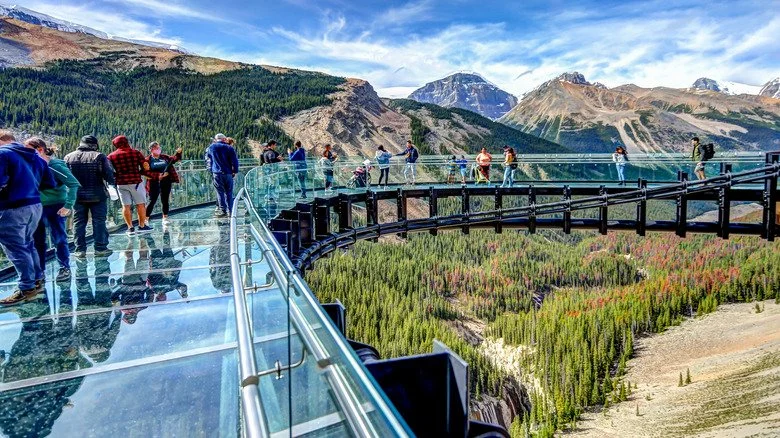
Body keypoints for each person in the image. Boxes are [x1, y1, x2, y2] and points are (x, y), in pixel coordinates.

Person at [0, 131, 58, 306]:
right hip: (35, 206)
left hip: (12, 207)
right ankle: (37, 279)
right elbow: (50, 183)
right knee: (27, 243)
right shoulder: (36, 156)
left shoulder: (3, 154)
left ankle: (27, 288)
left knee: (16, 248)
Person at [28, 138, 81, 282]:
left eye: (28, 150)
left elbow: (74, 184)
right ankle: (40, 271)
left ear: (40, 150)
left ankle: (64, 268)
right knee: (37, 240)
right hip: (37, 207)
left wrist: (68, 206)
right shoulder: (33, 165)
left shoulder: (55, 165)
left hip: (56, 206)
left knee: (59, 239)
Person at [64, 135, 115, 258]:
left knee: (79, 222)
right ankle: (100, 248)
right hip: (97, 195)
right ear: (94, 144)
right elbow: (109, 175)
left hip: (77, 195)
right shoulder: (99, 156)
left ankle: (79, 250)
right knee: (99, 221)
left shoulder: (68, 157)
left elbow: (65, 177)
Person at [108, 135, 152, 235]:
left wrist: (117, 175)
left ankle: (130, 228)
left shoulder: (111, 156)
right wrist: (139, 172)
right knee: (140, 205)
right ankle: (142, 226)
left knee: (125, 206)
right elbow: (146, 166)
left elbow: (109, 171)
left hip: (121, 183)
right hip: (136, 182)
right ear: (126, 142)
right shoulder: (135, 153)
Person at [145, 141, 183, 225]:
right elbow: (145, 172)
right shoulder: (148, 160)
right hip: (154, 182)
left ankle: (165, 217)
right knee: (152, 200)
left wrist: (178, 153)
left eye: (159, 148)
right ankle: (146, 218)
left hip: (166, 181)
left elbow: (174, 159)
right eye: (157, 148)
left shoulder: (165, 157)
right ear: (151, 149)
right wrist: (158, 175)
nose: (159, 149)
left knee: (165, 200)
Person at [205, 133, 239, 217]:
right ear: (224, 139)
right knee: (229, 192)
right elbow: (235, 161)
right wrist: (235, 171)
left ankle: (223, 210)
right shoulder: (229, 148)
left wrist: (211, 170)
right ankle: (230, 210)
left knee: (220, 192)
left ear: (216, 139)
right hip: (228, 173)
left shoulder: (211, 147)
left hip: (216, 173)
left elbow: (208, 160)